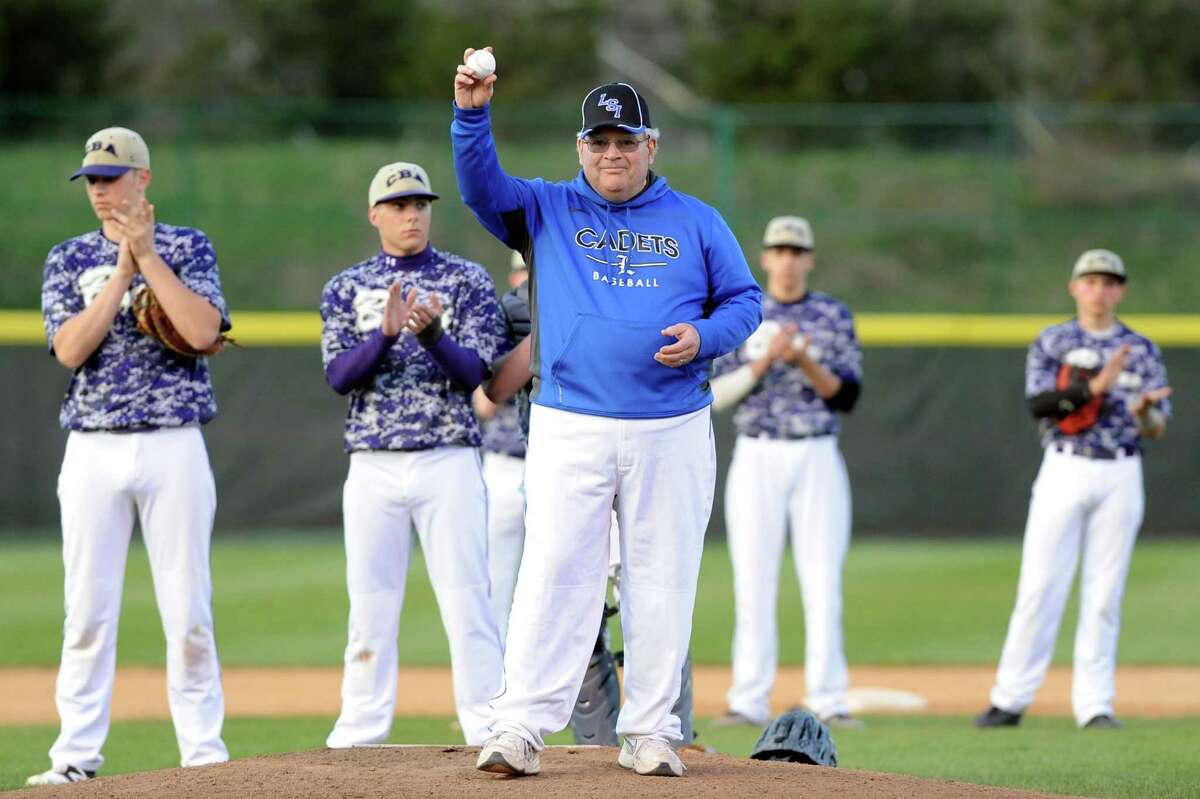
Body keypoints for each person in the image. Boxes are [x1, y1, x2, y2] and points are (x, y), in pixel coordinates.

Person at [453, 51, 762, 778]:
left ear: (651, 146)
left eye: (627, 141)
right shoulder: (546, 208)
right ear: (581, 150)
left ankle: (651, 728)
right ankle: (521, 725)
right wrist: (471, 114)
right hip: (572, 419)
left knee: (662, 575)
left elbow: (744, 301)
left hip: (672, 422)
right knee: (555, 569)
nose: (613, 153)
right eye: (600, 142)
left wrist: (706, 337)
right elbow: (478, 186)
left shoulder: (696, 219)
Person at [31, 127, 231, 786]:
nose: (99, 190)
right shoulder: (67, 258)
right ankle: (75, 756)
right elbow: (69, 349)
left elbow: (203, 331)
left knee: (189, 610)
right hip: (91, 447)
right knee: (86, 612)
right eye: (91, 179)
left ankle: (203, 753)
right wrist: (120, 270)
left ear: (143, 179)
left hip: (173, 441)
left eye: (111, 177)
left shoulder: (187, 246)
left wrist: (148, 258)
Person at [320, 161, 508, 748]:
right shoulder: (346, 287)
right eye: (399, 205)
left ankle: (486, 722)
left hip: (448, 456)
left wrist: (432, 336)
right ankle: (361, 726)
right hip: (373, 461)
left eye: (421, 204)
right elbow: (339, 377)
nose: (412, 215)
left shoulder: (466, 279)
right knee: (370, 603)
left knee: (468, 597)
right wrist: (384, 334)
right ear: (375, 214)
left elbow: (476, 373)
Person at [975, 249, 1172, 730]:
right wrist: (1098, 385)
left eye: (1109, 282)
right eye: (1091, 281)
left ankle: (1095, 704)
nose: (1099, 290)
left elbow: (1157, 427)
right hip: (1065, 465)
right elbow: (1040, 404)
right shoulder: (1054, 341)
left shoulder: (1140, 348)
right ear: (1075, 287)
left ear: (1120, 290)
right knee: (1040, 585)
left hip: (1122, 470)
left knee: (1105, 592)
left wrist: (1145, 409)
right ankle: (1011, 698)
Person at [708, 216, 863, 730]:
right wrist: (764, 361)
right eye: (780, 249)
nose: (789, 258)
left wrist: (803, 362)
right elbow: (714, 396)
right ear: (766, 256)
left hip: (816, 452)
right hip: (757, 452)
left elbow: (846, 396)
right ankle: (749, 699)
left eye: (798, 250)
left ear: (809, 258)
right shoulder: (742, 311)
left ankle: (829, 699)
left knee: (823, 579)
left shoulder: (831, 314)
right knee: (753, 578)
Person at [472, 250, 530, 644]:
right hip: (505, 466)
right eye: (521, 273)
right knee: (497, 578)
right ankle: (496, 680)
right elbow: (483, 404)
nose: (527, 280)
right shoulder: (498, 327)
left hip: (560, 466)